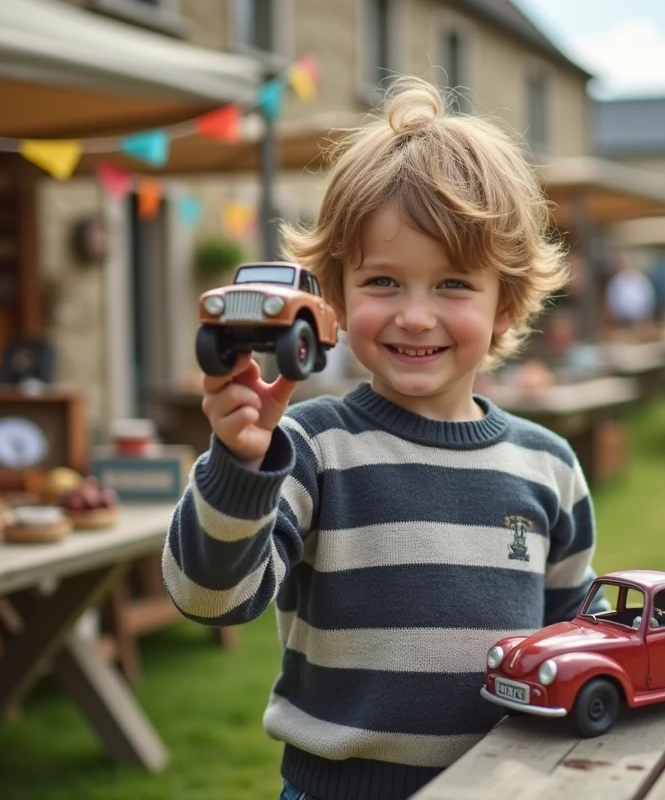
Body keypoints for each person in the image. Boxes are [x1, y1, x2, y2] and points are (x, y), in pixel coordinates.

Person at [163, 77, 604, 800]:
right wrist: (240, 465)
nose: (416, 315)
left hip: (502, 787)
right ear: (336, 297)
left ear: (506, 304)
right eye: (384, 282)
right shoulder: (309, 447)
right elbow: (209, 600)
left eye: (453, 284)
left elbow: (572, 641)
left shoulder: (548, 466)